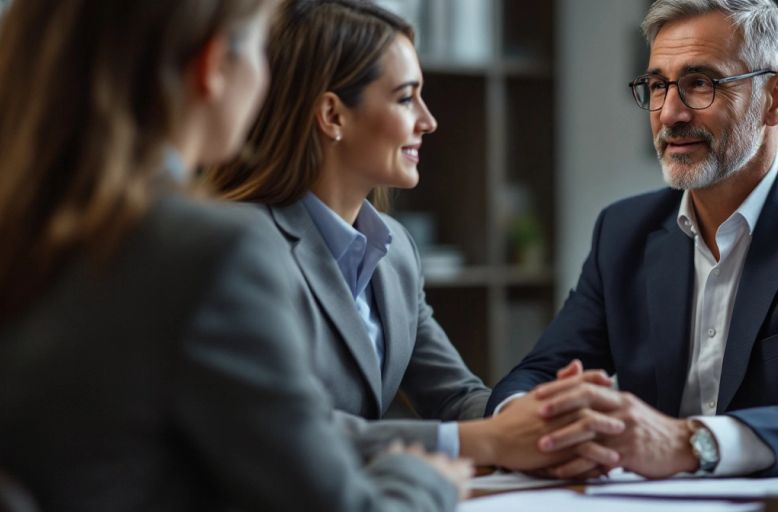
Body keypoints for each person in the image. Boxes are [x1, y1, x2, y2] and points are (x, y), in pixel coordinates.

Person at [0, 0, 471, 510]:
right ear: (213, 67)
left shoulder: (34, 230)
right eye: (259, 52)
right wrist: (426, 476)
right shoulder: (205, 250)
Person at [488, 0, 778, 480]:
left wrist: (692, 443)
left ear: (776, 97)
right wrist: (529, 426)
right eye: (658, 85)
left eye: (700, 83)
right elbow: (538, 374)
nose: (670, 113)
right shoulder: (623, 232)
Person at [204, 0, 622, 472]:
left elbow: (454, 396)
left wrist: (544, 423)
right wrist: (485, 441)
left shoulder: (395, 250)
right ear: (332, 115)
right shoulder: (242, 248)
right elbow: (291, 430)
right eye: (406, 98)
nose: (428, 120)